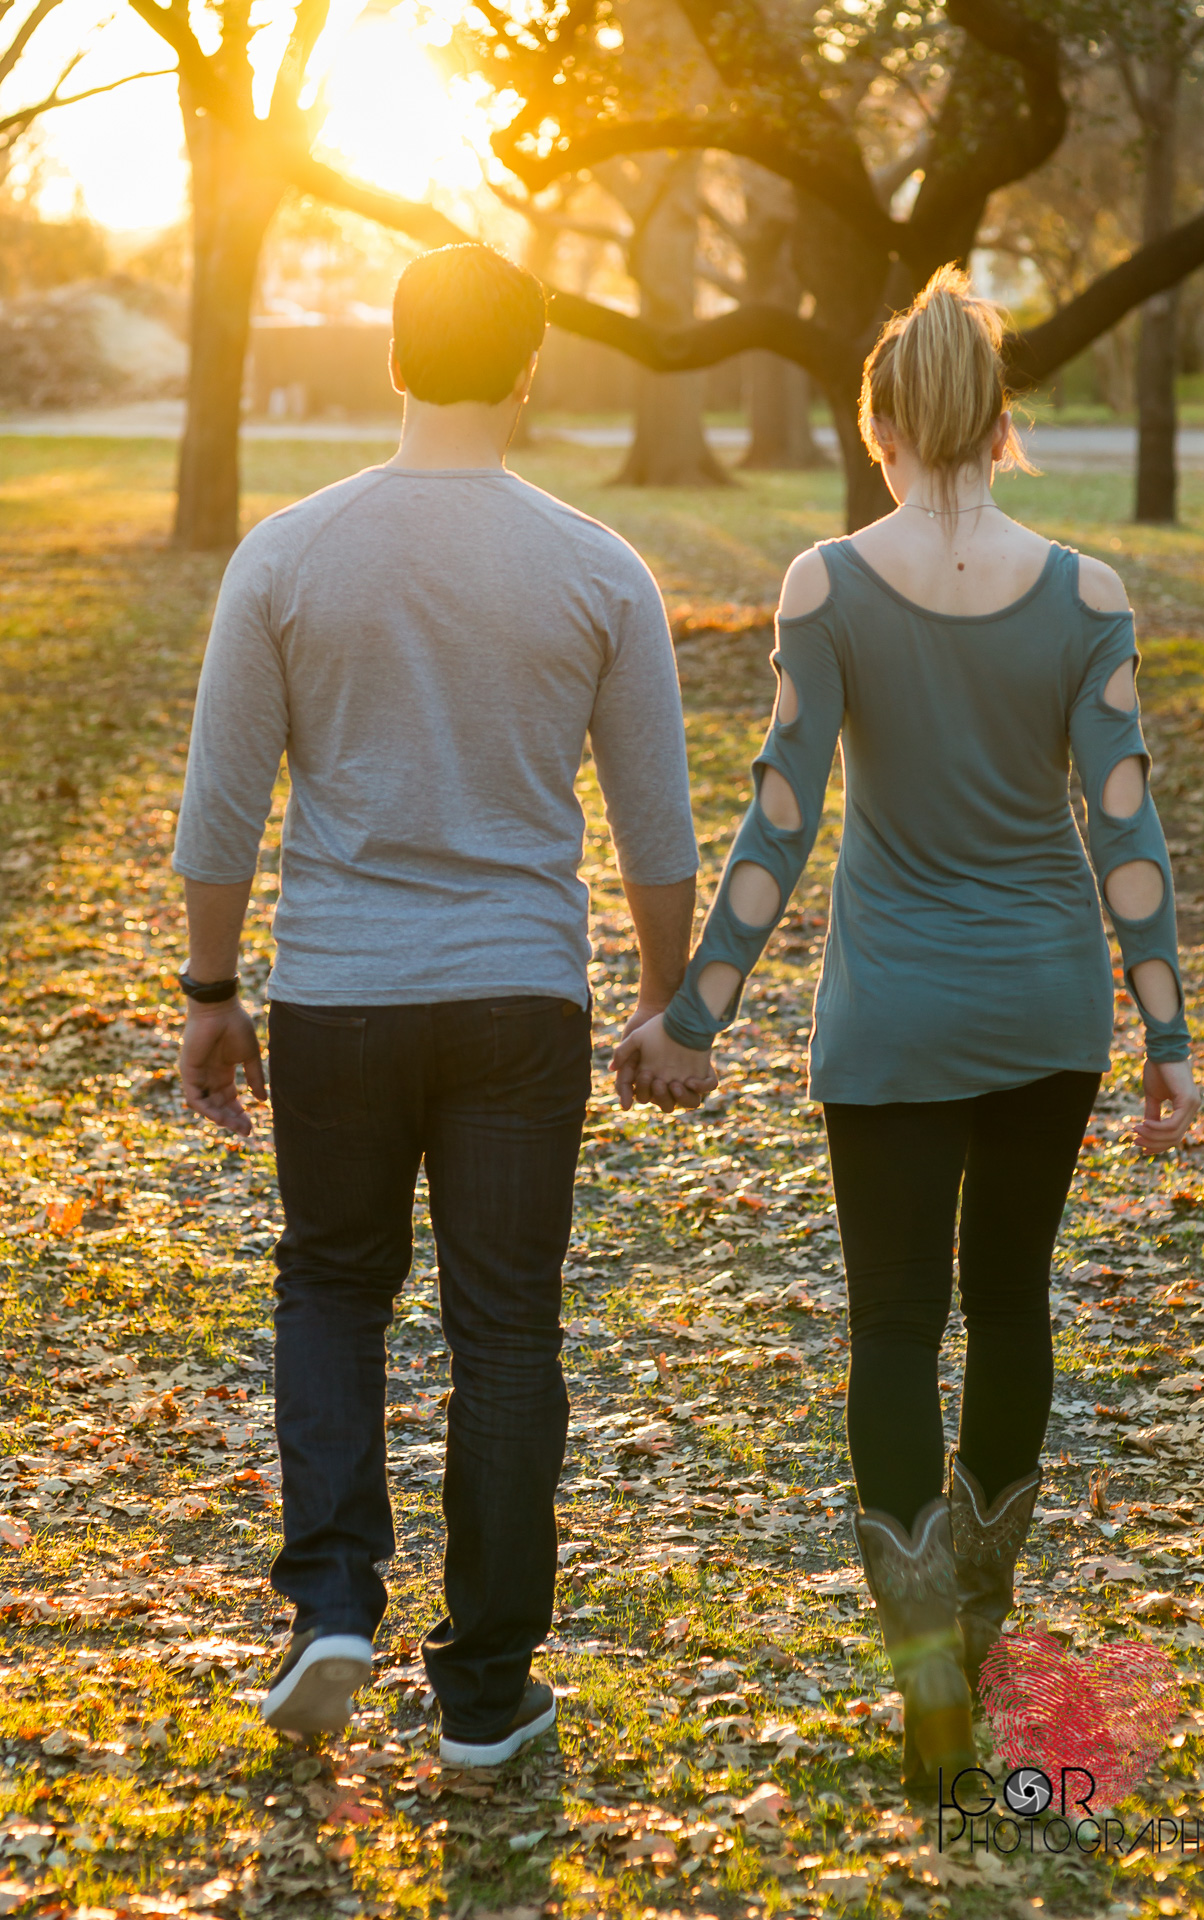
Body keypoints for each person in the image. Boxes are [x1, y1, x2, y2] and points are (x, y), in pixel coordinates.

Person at [614, 264, 1199, 1796]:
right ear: (1001, 425)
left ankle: (928, 1664)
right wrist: (1170, 1043)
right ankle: (987, 1609)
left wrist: (695, 1017)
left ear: (881, 422)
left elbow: (781, 822)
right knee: (1009, 1308)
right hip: (1048, 1006)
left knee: (893, 1327)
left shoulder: (828, 583)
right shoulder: (1087, 596)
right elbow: (1126, 831)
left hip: (891, 1018)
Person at [173, 242, 704, 1765]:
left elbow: (221, 817)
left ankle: (333, 1598)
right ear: (531, 369)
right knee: (506, 1332)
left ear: (392, 361)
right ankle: (483, 1694)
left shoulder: (285, 555)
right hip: (518, 1001)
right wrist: (668, 1004)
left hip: (336, 994)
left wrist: (213, 993)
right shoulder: (600, 568)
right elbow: (656, 833)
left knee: (334, 1285)